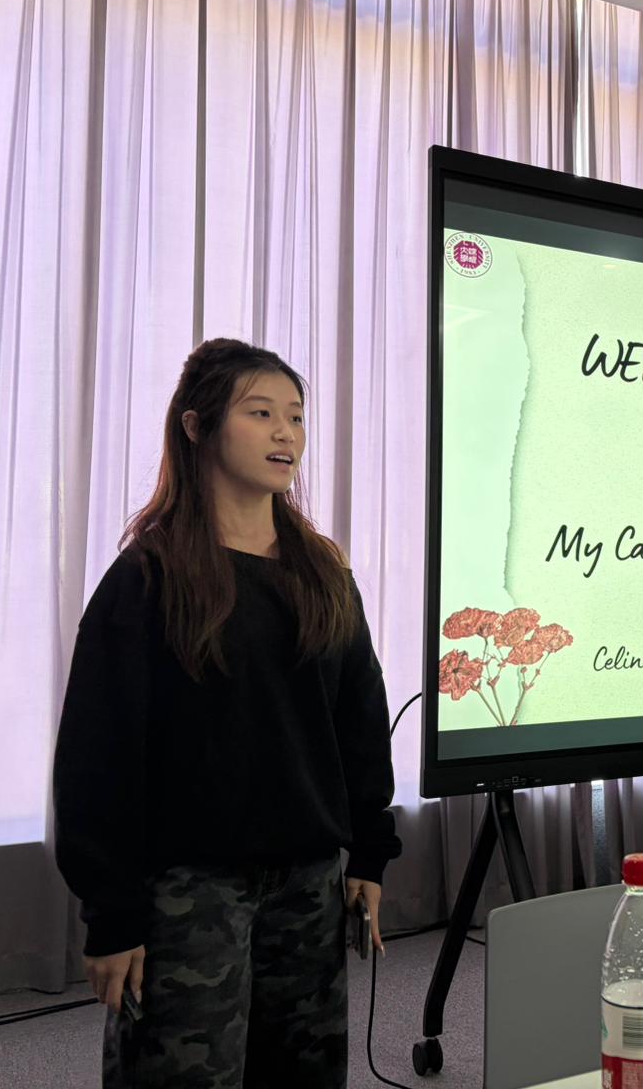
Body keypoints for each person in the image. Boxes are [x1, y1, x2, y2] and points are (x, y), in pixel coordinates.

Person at [53, 338, 401, 1088]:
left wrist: (370, 852)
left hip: (308, 882)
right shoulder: (149, 576)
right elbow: (97, 754)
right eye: (261, 413)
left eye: (296, 417)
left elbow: (359, 718)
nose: (286, 434)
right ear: (197, 426)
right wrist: (111, 915)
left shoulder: (322, 570)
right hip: (188, 889)